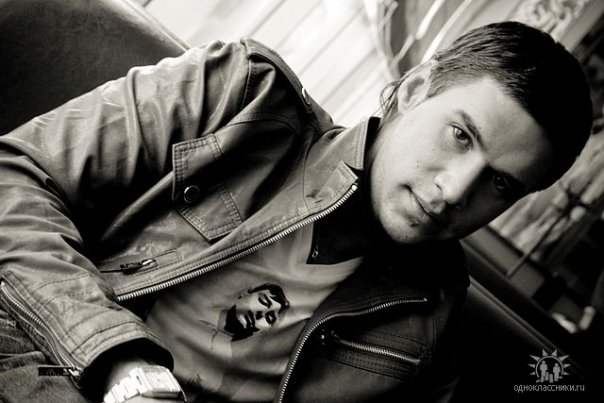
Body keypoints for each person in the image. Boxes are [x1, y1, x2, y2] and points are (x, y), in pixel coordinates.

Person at [0, 20, 592, 403]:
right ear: (415, 90)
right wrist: (120, 361)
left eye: (499, 183)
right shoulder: (241, 94)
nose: (454, 190)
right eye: (460, 135)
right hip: (44, 350)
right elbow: (14, 174)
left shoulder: (431, 332)